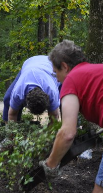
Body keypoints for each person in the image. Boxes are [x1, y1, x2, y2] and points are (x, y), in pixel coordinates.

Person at [39, 39, 103, 193]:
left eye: (56, 72)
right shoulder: (96, 71)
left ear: (65, 66)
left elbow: (67, 133)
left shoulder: (72, 79)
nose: (56, 79)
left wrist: (51, 165)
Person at [0, 55, 61, 151]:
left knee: (65, 102)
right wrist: (12, 139)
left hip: (52, 67)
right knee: (7, 99)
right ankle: (7, 140)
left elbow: (54, 118)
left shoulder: (51, 92)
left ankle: (63, 138)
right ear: (26, 102)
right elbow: (12, 114)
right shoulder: (19, 91)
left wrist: (48, 141)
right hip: (30, 65)